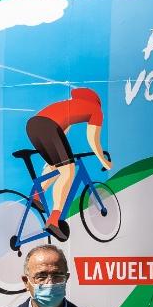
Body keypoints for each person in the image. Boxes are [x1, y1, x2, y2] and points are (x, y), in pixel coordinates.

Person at [25, 87, 112, 241]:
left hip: (33, 125)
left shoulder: (67, 104)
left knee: (57, 166)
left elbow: (61, 133)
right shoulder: (96, 110)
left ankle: (37, 196)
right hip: (48, 127)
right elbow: (93, 140)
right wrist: (103, 160)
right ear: (96, 101)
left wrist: (55, 159)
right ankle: (54, 220)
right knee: (68, 171)